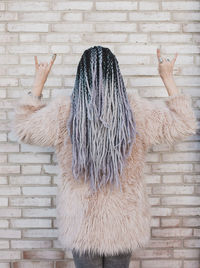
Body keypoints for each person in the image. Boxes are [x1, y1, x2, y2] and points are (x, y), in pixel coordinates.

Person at [12, 46, 197, 268]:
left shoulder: (64, 112)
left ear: (81, 76)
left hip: (81, 222)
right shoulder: (135, 110)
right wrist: (167, 77)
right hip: (123, 222)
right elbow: (185, 125)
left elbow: (23, 128)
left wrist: (39, 81)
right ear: (115, 74)